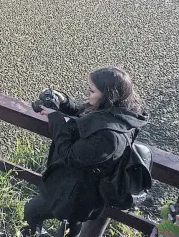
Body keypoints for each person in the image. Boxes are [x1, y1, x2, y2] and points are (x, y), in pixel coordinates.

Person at [21, 67, 149, 237]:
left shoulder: (109, 137)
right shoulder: (122, 113)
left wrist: (56, 120)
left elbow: (69, 155)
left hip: (77, 191)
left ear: (107, 95)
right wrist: (64, 102)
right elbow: (86, 116)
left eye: (91, 90)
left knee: (32, 211)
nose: (88, 93)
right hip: (86, 192)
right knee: (72, 224)